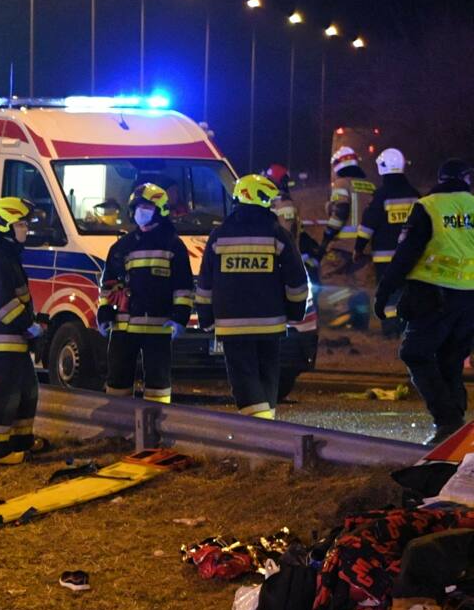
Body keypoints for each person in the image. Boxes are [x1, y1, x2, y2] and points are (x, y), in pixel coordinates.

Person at [375, 156, 474, 441]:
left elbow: (406, 254)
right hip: (468, 300)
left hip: (433, 295)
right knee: (451, 359)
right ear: (465, 179)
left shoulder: (428, 206)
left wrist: (384, 292)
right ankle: (453, 427)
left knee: (414, 353)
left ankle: (447, 420)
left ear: (441, 179)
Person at [198, 172, 307, 420]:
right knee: (268, 375)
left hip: (232, 325)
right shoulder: (278, 234)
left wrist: (206, 318)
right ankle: (266, 428)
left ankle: (261, 431)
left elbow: (205, 285)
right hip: (271, 323)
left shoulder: (219, 236)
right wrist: (293, 313)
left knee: (244, 377)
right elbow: (297, 282)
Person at [102, 183, 191, 404]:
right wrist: (104, 313)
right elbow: (109, 285)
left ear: (160, 210)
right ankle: (117, 431)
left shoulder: (173, 245)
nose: (141, 211)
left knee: (158, 386)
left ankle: (156, 432)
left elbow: (183, 286)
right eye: (139, 206)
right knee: (117, 382)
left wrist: (180, 319)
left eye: (147, 206)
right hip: (123, 328)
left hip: (158, 327)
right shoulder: (121, 246)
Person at [0, 195, 46, 462]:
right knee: (5, 392)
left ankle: (21, 441)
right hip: (3, 338)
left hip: (13, 336)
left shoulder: (8, 257)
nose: (25, 229)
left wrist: (33, 323)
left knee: (27, 389)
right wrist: (30, 326)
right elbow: (2, 304)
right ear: (5, 224)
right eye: (20, 224)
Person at [370, 148, 420, 340]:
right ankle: (405, 326)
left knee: (387, 290)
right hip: (410, 255)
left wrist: (359, 246)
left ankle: (391, 328)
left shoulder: (381, 195)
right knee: (406, 289)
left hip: (384, 256)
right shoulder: (414, 194)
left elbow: (369, 224)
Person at [325, 144, 373, 274]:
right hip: (366, 247)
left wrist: (327, 235)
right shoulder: (369, 186)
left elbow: (341, 211)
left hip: (343, 246)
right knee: (362, 289)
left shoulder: (341, 183)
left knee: (330, 280)